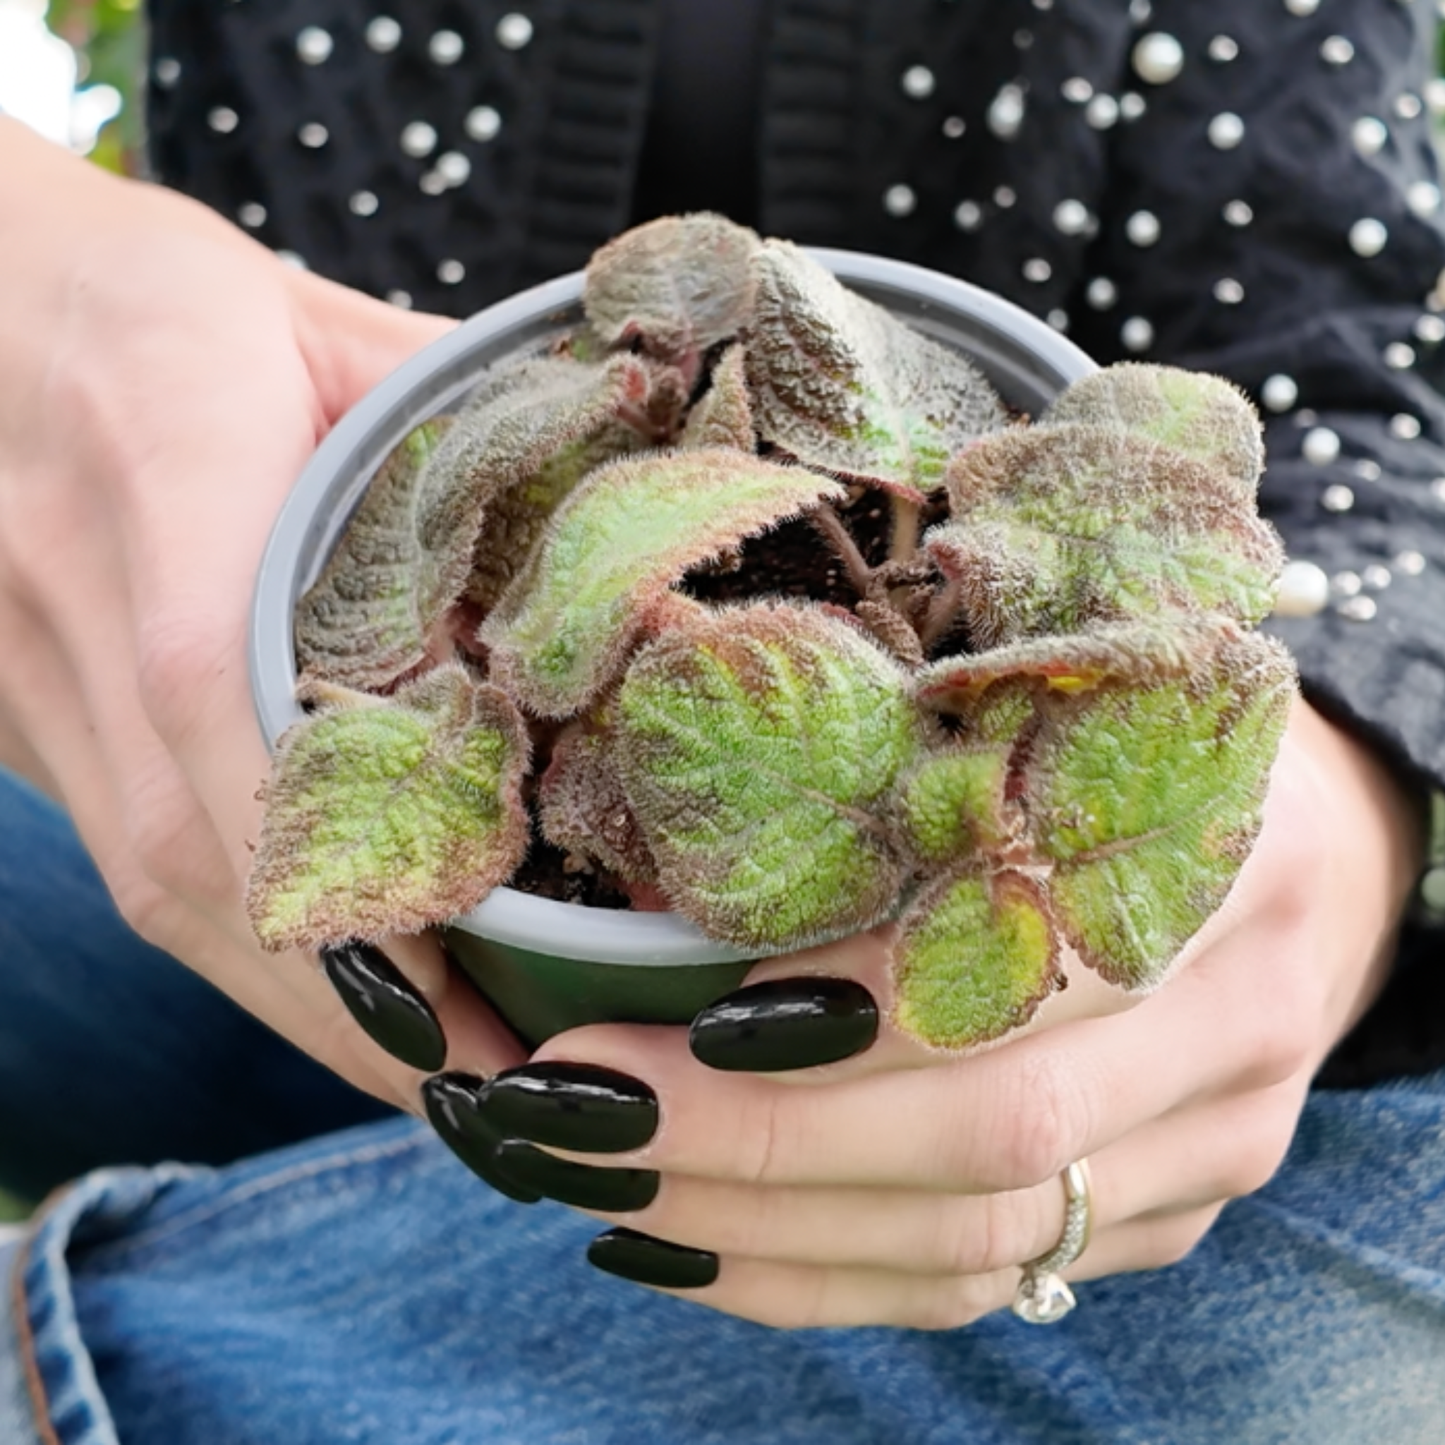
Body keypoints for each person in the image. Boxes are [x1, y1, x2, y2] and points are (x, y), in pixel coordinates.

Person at [2, 0, 1444, 1440]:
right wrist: (51, 272)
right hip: (204, 741)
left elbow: (1366, 380)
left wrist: (1346, 814)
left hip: (934, 1032)